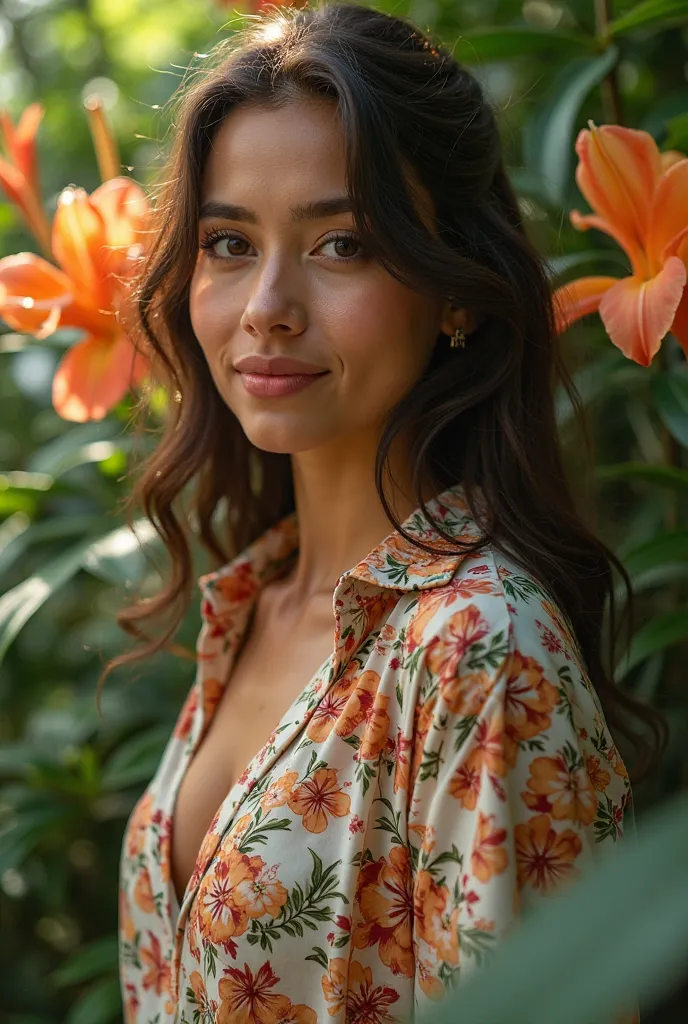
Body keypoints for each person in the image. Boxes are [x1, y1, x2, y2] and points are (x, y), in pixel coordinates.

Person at [109, 3, 666, 1021]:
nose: (267, 303)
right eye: (229, 241)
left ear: (454, 292)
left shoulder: (479, 646)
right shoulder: (254, 599)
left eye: (343, 244)